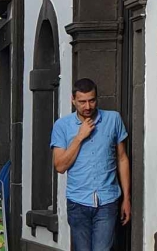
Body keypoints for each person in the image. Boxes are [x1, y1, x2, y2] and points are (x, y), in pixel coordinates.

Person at [50, 78, 131, 251]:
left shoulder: (113, 119)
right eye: (82, 102)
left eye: (92, 100)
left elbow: (122, 158)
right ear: (73, 100)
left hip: (108, 201)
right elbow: (60, 166)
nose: (87, 106)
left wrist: (126, 198)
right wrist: (79, 137)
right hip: (78, 202)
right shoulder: (62, 126)